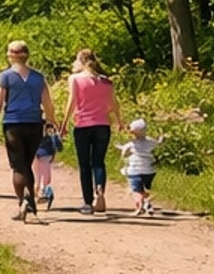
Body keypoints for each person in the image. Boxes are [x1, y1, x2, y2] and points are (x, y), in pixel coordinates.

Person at [0, 39, 55, 221]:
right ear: (27, 55)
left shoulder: (6, 76)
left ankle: (22, 202)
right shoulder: (38, 77)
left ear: (10, 55)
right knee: (27, 163)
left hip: (13, 124)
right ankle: (31, 202)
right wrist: (51, 121)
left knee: (18, 166)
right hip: (34, 123)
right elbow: (47, 103)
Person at [57, 47, 122, 215]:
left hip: (83, 126)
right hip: (103, 126)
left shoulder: (75, 79)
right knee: (98, 162)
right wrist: (119, 121)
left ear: (81, 61)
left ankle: (87, 203)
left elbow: (72, 102)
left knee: (85, 165)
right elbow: (114, 104)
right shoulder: (106, 81)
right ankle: (100, 190)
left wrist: (63, 124)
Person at [119, 117, 161, 215]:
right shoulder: (151, 142)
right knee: (143, 190)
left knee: (136, 191)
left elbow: (124, 153)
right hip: (149, 170)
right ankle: (147, 204)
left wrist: (121, 150)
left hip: (135, 170)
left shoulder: (131, 144)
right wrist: (160, 140)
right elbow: (158, 146)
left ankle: (140, 207)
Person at [33, 125, 61, 211]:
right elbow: (58, 147)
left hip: (37, 154)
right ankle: (42, 192)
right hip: (45, 155)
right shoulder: (51, 132)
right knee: (44, 178)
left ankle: (38, 193)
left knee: (38, 177)